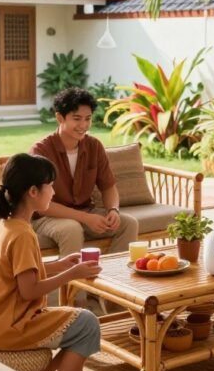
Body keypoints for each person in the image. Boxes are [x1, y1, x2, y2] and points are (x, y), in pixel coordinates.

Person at [0, 153, 104, 371]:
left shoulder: (8, 225)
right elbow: (28, 290)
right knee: (87, 322)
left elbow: (16, 275)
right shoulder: (23, 235)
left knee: (80, 325)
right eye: (51, 186)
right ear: (33, 192)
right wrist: (72, 274)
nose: (53, 193)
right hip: (10, 327)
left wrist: (60, 265)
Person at [30, 87, 139, 257]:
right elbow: (42, 206)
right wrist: (85, 218)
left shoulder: (94, 146)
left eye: (88, 119)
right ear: (60, 118)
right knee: (71, 229)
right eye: (77, 119)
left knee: (128, 224)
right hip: (48, 218)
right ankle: (70, 284)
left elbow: (108, 186)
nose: (83, 125)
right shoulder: (41, 151)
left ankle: (110, 279)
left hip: (86, 212)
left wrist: (113, 210)